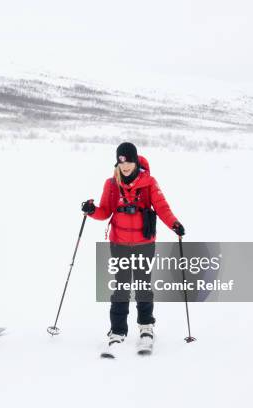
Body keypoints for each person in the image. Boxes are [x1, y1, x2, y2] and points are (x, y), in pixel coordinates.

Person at [82, 142, 185, 352]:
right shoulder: (111, 184)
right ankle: (118, 331)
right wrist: (92, 210)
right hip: (119, 243)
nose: (125, 166)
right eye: (121, 162)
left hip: (144, 244)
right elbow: (105, 212)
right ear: (117, 163)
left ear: (135, 161)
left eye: (129, 161)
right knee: (121, 287)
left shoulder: (149, 183)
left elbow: (163, 207)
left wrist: (174, 224)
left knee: (143, 286)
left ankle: (146, 327)